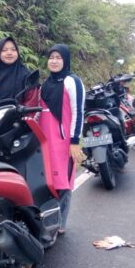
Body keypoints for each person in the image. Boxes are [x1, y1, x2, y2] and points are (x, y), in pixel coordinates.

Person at [39, 44, 85, 234]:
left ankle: (60, 223)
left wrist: (74, 141)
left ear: (65, 60)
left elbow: (78, 112)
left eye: (59, 57)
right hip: (43, 141)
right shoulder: (45, 84)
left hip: (63, 141)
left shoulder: (72, 81)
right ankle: (47, 221)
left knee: (63, 184)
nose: (54, 61)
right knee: (45, 181)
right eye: (51, 57)